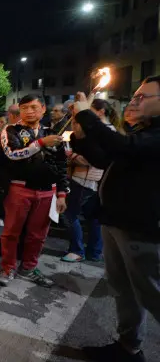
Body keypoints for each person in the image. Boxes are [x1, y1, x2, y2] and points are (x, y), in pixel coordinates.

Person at [71, 78, 160, 362]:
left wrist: (86, 114)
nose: (133, 101)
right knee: (124, 289)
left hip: (141, 227)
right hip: (116, 220)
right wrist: (81, 136)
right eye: (134, 96)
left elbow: (123, 147)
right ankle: (128, 347)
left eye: (143, 97)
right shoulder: (141, 132)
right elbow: (105, 159)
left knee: (152, 293)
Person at [0, 94, 68, 287]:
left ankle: (28, 268)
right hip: (19, 188)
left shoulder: (53, 132)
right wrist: (41, 144)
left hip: (47, 192)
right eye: (25, 107)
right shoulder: (10, 130)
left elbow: (62, 164)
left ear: (43, 109)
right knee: (12, 232)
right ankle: (8, 268)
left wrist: (61, 193)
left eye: (34, 107)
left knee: (38, 235)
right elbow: (12, 154)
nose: (29, 111)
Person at [61, 99, 118, 263]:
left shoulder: (104, 132)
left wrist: (72, 155)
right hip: (93, 181)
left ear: (100, 112)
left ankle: (77, 250)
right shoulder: (105, 131)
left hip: (85, 180)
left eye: (89, 110)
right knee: (93, 218)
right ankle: (94, 252)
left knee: (69, 214)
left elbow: (90, 159)